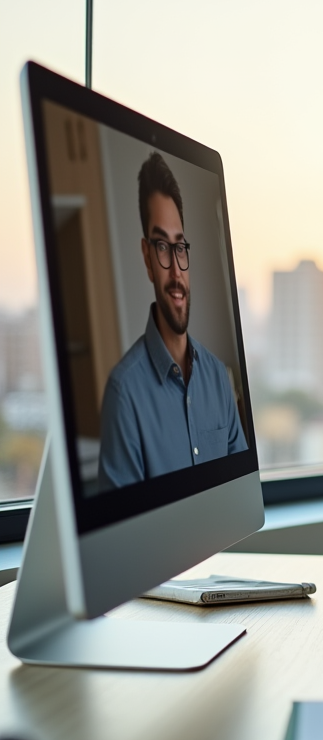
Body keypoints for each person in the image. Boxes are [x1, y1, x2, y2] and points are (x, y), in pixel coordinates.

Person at [97, 151, 246, 491]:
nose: (177, 272)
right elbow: (128, 534)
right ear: (147, 258)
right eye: (163, 247)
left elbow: (237, 496)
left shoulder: (219, 379)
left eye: (180, 247)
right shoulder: (124, 394)